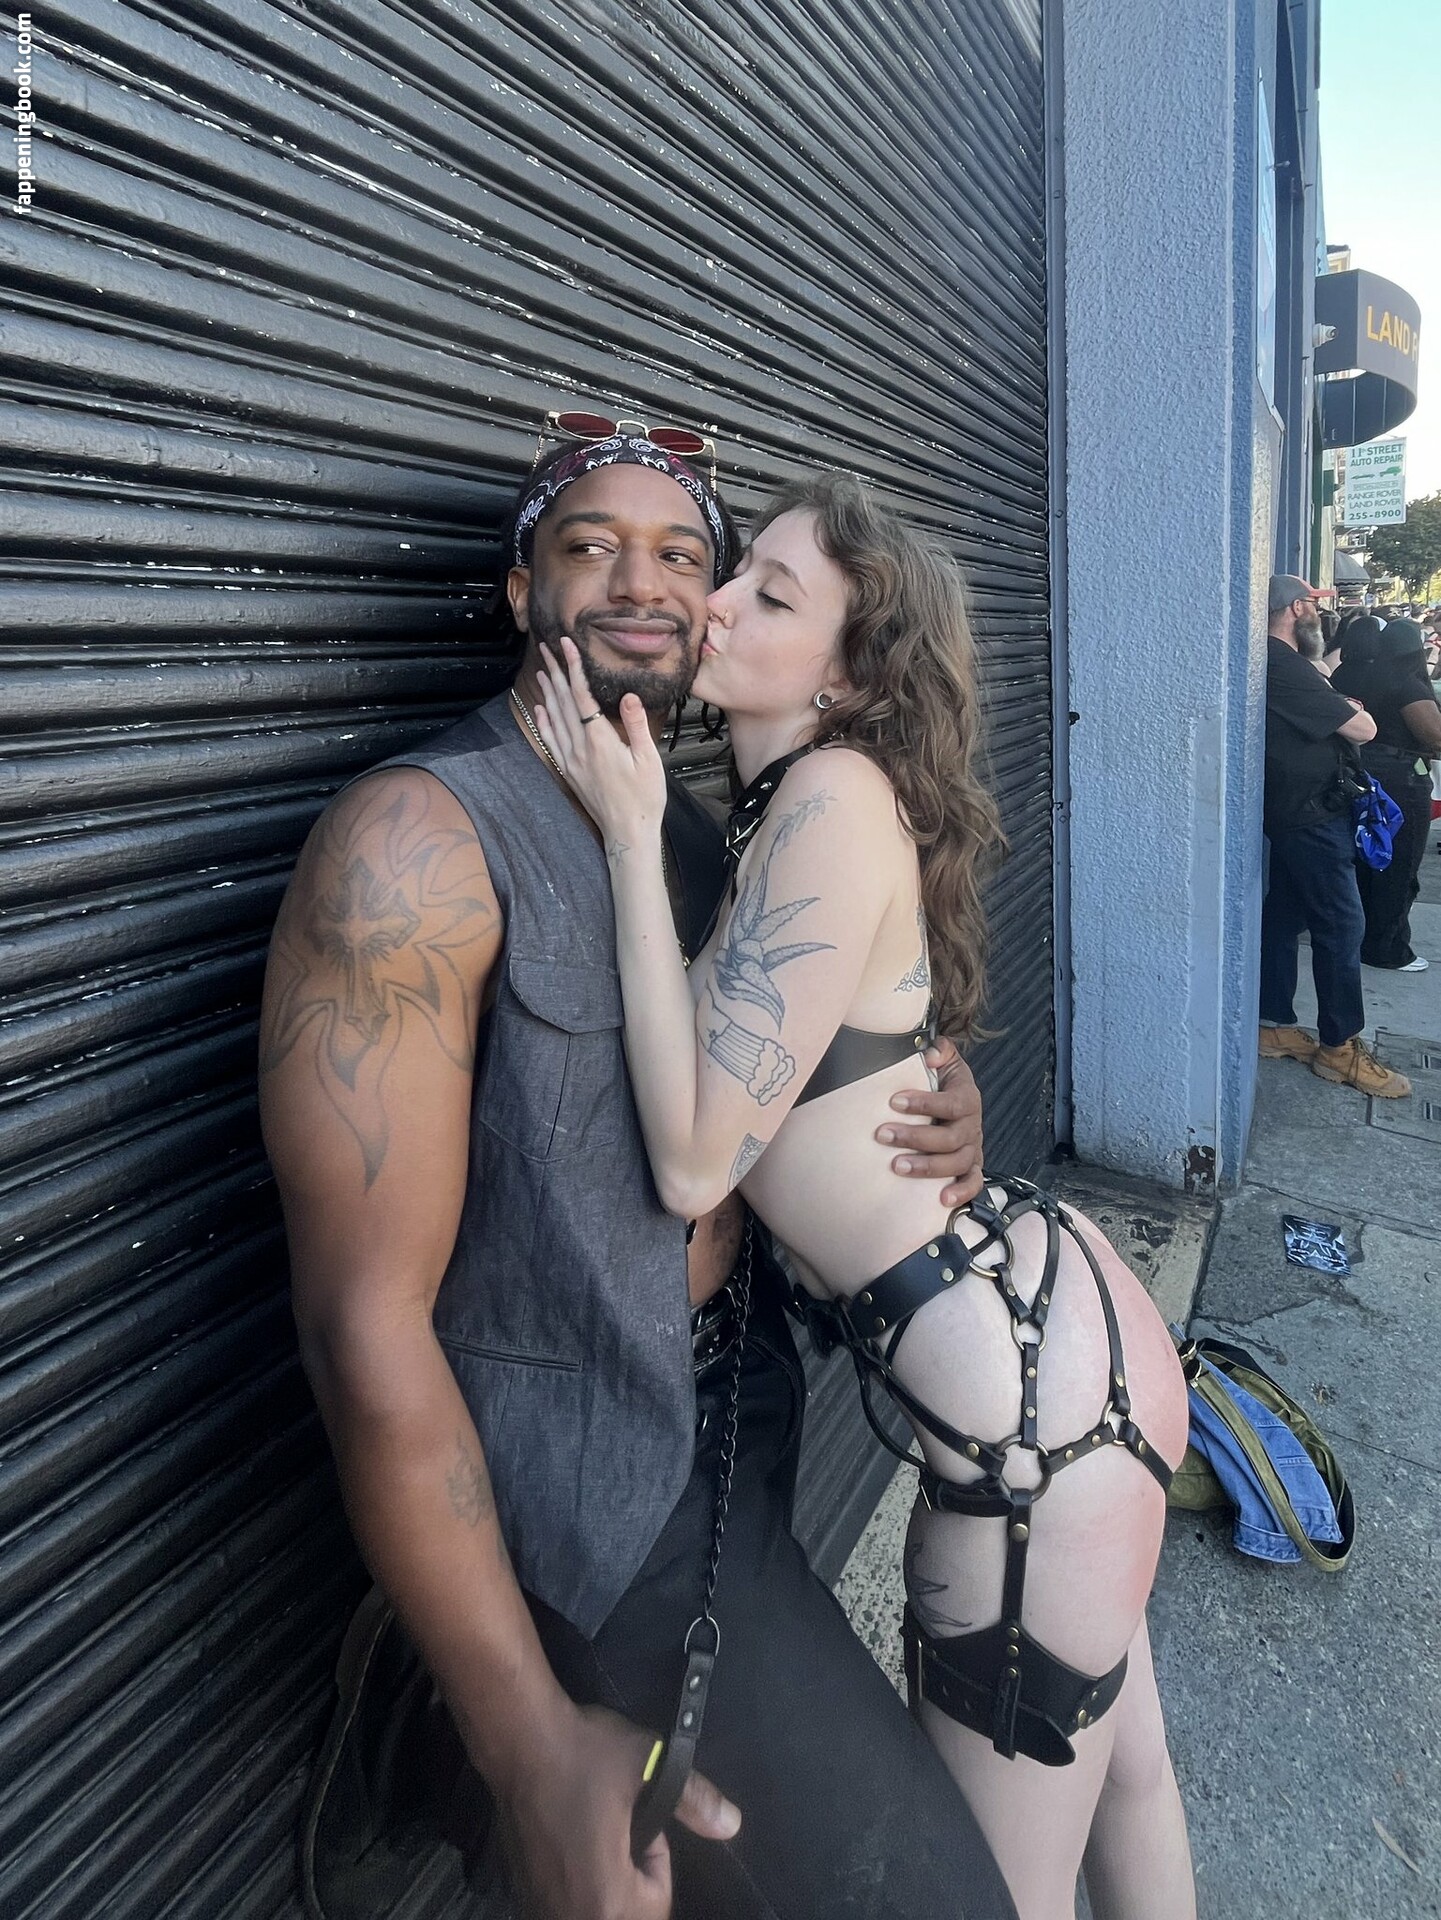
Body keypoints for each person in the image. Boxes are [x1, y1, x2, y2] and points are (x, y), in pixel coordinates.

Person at [259, 429, 1020, 1920]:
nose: (644, 581)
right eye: (590, 544)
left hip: (738, 1418)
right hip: (598, 1509)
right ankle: (458, 1728)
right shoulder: (412, 850)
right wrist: (526, 1742)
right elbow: (362, 1329)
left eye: (684, 554)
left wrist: (932, 1090)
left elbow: (786, 1046)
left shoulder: (692, 828)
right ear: (517, 590)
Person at [536, 472, 1197, 1920]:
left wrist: (628, 832)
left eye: (769, 594)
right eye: (736, 571)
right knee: (1130, 1781)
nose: (713, 603)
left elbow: (694, 1161)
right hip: (1055, 1351)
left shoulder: (828, 798)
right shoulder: (799, 803)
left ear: (849, 675)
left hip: (1030, 1436)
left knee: (989, 1894)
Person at [1257, 576, 1410, 1095]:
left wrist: (1331, 685)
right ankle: (1339, 1048)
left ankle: (1274, 1025)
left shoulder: (1288, 662)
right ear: (1296, 609)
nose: (1321, 617)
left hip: (1300, 810)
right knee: (1343, 925)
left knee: (1285, 916)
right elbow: (1364, 729)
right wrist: (1350, 706)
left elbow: (1325, 678)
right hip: (1312, 817)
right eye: (1314, 607)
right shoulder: (1281, 663)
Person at [1332, 617, 1441, 971]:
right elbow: (1434, 735)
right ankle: (1387, 948)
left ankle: (1362, 935)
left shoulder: (1349, 674)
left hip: (1356, 773)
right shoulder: (1407, 684)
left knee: (1366, 859)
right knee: (1400, 864)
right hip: (1402, 781)